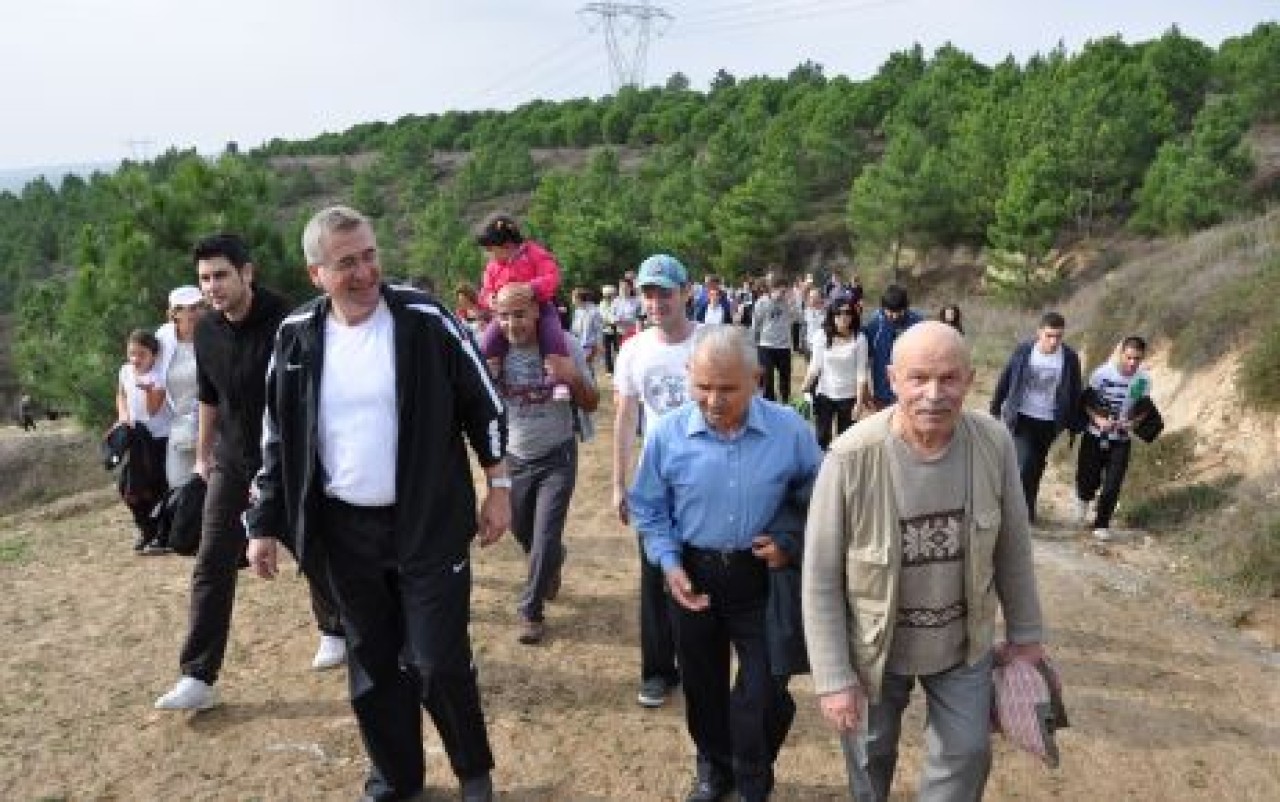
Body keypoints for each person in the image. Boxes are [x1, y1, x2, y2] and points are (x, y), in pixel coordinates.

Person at [244, 206, 508, 802]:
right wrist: (263, 522)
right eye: (346, 263)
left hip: (428, 521)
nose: (364, 272)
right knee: (373, 663)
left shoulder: (424, 319)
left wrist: (500, 486)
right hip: (343, 531)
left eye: (369, 256)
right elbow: (276, 437)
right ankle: (397, 778)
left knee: (438, 659)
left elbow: (483, 402)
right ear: (317, 273)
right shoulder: (295, 337)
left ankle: (473, 771)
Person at [802, 321, 1046, 802]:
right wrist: (833, 679)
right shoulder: (850, 458)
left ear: (970, 380)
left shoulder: (993, 443)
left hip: (962, 642)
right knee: (870, 755)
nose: (934, 394)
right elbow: (820, 577)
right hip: (875, 648)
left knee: (967, 753)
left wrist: (1026, 636)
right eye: (919, 378)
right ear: (892, 379)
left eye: (949, 378)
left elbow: (1013, 546)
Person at [630, 325, 824, 802]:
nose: (713, 399)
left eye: (728, 388)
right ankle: (715, 769)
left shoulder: (790, 431)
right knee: (703, 686)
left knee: (764, 693)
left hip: (763, 579)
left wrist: (788, 544)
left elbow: (821, 497)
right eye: (703, 386)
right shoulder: (668, 434)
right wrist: (669, 563)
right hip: (692, 575)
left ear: (757, 379)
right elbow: (649, 508)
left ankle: (754, 777)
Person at [154, 233, 345, 713]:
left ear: (247, 273)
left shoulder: (290, 321)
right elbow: (208, 395)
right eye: (204, 279)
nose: (212, 287)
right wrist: (203, 454)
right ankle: (198, 675)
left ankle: (337, 628)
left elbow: (318, 391)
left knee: (313, 547)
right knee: (212, 559)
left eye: (220, 275)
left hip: (293, 459)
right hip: (233, 460)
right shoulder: (207, 331)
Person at [612, 253, 698, 709]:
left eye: (665, 291)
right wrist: (617, 482)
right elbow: (626, 418)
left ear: (686, 292)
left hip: (707, 475)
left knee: (701, 565)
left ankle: (699, 660)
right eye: (648, 292)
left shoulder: (713, 341)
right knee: (654, 574)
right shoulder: (633, 349)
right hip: (656, 478)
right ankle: (658, 671)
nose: (656, 301)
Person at [494, 283, 598, 645]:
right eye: (504, 316)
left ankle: (530, 611)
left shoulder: (563, 345)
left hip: (558, 455)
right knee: (522, 531)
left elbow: (591, 402)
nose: (512, 324)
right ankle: (553, 559)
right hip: (515, 459)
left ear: (537, 312)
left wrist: (570, 375)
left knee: (544, 536)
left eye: (519, 314)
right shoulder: (494, 352)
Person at [989, 312, 1084, 525]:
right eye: (1049, 335)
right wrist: (996, 407)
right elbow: (1006, 378)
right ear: (1039, 332)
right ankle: (1017, 513)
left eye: (1058, 336)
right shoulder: (1025, 351)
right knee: (1025, 462)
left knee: (1036, 465)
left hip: (1050, 421)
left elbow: (1075, 390)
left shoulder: (1068, 357)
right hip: (1022, 416)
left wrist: (1075, 423)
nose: (1054, 341)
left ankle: (1027, 506)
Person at [475, 213, 571, 400]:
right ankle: (490, 377)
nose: (489, 255)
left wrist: (532, 287)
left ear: (507, 245)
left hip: (540, 306)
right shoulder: (493, 267)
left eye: (490, 250)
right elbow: (485, 291)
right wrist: (491, 299)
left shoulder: (535, 254)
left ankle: (557, 379)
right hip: (505, 313)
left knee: (553, 336)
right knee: (488, 341)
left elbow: (552, 277)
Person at [1074, 336, 1153, 542]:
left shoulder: (1143, 380)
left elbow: (1143, 408)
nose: (1132, 363)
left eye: (1137, 358)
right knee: (1087, 478)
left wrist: (1132, 423)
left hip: (1122, 439)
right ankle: (1083, 501)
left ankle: (1102, 523)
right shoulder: (1102, 374)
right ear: (1121, 354)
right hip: (1095, 435)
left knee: (1113, 483)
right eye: (1129, 357)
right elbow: (1086, 402)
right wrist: (1098, 419)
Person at [114, 328, 172, 553]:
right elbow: (121, 394)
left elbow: (153, 410)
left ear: (153, 355)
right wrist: (123, 415)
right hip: (135, 439)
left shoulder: (158, 377)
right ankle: (145, 528)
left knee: (157, 487)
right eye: (132, 353)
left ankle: (161, 533)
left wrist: (148, 391)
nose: (135, 359)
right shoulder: (125, 370)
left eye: (141, 354)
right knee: (128, 487)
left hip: (158, 438)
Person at [801, 299, 870, 451]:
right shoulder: (822, 336)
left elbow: (861, 373)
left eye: (847, 313)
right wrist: (804, 388)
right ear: (832, 315)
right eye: (838, 313)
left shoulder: (859, 338)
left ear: (853, 315)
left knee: (846, 441)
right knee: (821, 438)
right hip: (824, 394)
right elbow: (815, 367)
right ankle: (820, 469)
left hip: (849, 397)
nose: (843, 317)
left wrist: (859, 403)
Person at [154, 285, 205, 488]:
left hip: (213, 426)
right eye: (190, 308)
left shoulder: (215, 332)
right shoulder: (163, 340)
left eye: (200, 306)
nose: (197, 312)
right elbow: (137, 373)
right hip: (179, 430)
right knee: (180, 489)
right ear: (175, 313)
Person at [862, 284, 923, 411]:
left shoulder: (917, 322)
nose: (895, 316)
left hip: (911, 388)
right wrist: (865, 389)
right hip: (883, 392)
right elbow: (864, 359)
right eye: (890, 312)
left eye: (899, 312)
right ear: (883, 307)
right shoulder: (874, 325)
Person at [750, 275, 798, 403]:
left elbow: (797, 319)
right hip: (766, 346)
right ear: (772, 289)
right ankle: (769, 405)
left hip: (784, 346)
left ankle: (785, 403)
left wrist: (792, 304)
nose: (782, 294)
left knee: (785, 379)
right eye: (780, 291)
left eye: (785, 291)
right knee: (767, 380)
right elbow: (756, 325)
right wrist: (754, 345)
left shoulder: (788, 303)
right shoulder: (762, 302)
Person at [570, 286, 604, 370]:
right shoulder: (577, 311)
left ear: (579, 298)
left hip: (590, 347)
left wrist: (597, 348)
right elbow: (574, 329)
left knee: (589, 372)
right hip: (578, 346)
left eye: (573, 297)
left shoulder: (594, 311)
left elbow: (598, 331)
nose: (572, 300)